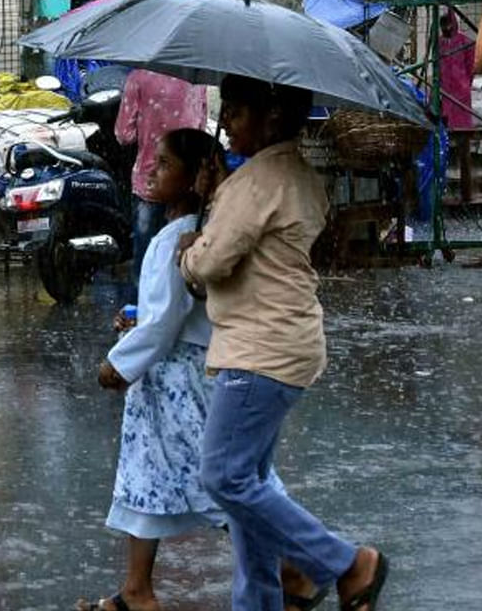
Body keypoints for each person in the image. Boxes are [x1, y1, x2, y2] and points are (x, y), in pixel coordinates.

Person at [81, 129, 320, 611]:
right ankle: (135, 589)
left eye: (165, 163)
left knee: (224, 486)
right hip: (162, 382)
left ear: (194, 178)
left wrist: (119, 363)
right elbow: (160, 313)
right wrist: (135, 322)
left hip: (181, 381)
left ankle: (295, 565)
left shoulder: (184, 238)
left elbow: (166, 323)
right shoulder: (176, 233)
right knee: (143, 480)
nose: (152, 168)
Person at [179, 75, 388, 611]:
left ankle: (341, 563)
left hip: (260, 350)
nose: (225, 121)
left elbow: (209, 264)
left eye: (237, 111)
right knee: (250, 482)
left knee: (223, 477)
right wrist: (217, 195)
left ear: (270, 118)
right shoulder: (293, 174)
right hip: (286, 341)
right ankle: (261, 601)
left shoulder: (255, 184)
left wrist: (191, 244)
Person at [113, 69, 207, 301]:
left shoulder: (139, 78)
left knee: (146, 264)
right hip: (188, 186)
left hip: (149, 184)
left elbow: (124, 135)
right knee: (183, 261)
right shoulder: (197, 80)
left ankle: (141, 316)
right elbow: (201, 129)